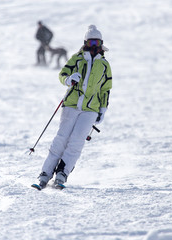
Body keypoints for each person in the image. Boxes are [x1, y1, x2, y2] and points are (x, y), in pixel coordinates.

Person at [34, 25, 112, 189]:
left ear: (101, 44)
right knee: (61, 139)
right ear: (85, 43)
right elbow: (62, 75)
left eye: (96, 43)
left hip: (91, 109)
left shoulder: (104, 65)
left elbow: (106, 89)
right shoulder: (77, 59)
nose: (94, 47)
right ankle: (45, 173)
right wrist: (69, 79)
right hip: (71, 105)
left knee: (76, 142)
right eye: (91, 43)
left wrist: (102, 109)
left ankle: (63, 173)